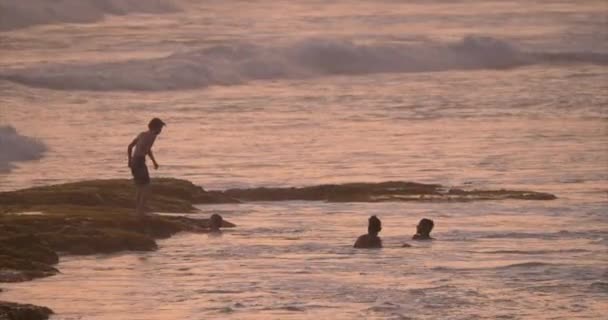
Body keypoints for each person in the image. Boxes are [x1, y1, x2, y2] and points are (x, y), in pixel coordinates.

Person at [127, 117, 165, 217]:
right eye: (160, 128)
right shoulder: (152, 136)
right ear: (155, 127)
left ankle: (138, 210)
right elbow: (147, 149)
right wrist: (154, 162)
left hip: (135, 161)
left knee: (140, 187)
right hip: (139, 161)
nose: (160, 131)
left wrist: (129, 160)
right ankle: (140, 212)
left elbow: (130, 146)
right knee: (146, 187)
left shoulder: (142, 134)